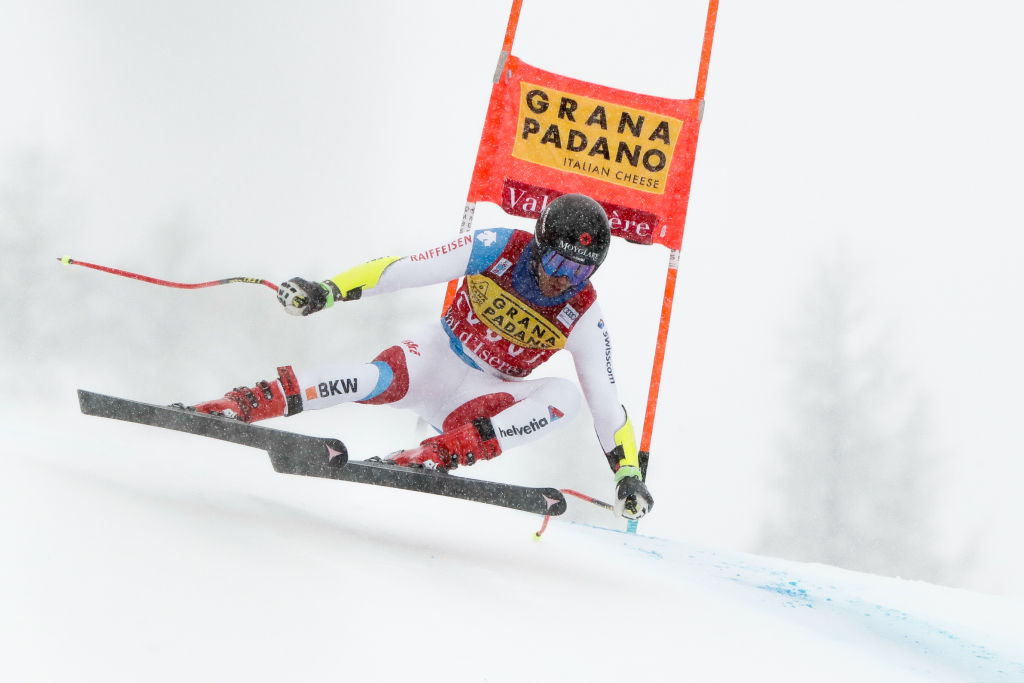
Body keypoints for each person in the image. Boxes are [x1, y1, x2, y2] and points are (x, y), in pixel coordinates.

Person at [189, 193, 652, 519]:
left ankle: (440, 452)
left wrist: (627, 474)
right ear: (538, 244)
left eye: (579, 270)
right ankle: (250, 402)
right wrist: (327, 291)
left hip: (481, 403)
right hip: (437, 357)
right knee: (368, 379)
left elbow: (606, 404)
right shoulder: (498, 249)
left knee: (566, 397)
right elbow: (404, 270)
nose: (561, 279)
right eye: (556, 263)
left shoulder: (582, 311)